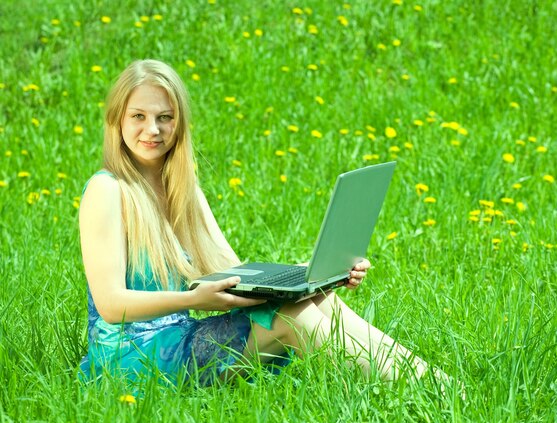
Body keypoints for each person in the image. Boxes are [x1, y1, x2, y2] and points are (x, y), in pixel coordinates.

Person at [78, 59, 452, 390]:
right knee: (292, 319)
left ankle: (437, 385)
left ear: (179, 123)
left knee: (317, 300)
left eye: (165, 117)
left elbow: (232, 269)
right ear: (117, 121)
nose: (153, 130)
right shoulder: (107, 190)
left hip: (180, 337)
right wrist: (193, 299)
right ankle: (410, 396)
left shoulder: (182, 187)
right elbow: (111, 305)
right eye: (138, 117)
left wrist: (311, 276)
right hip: (128, 361)